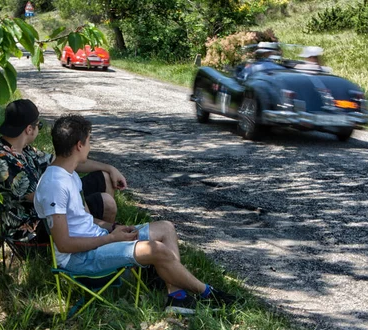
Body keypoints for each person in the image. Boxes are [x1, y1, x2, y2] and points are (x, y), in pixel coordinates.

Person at [34, 114, 239, 314]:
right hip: (79, 259)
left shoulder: (70, 175)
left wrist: (112, 228)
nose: (90, 146)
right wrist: (111, 239)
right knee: (156, 249)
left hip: (98, 240)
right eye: (88, 141)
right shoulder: (55, 185)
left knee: (166, 228)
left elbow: (84, 220)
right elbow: (64, 244)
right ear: (79, 145)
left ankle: (176, 296)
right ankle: (208, 293)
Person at [0, 99, 127, 242]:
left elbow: (68, 160)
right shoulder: (3, 162)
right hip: (35, 227)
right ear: (29, 129)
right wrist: (83, 211)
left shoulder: (25, 151)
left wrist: (110, 168)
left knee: (104, 178)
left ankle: (98, 234)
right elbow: (46, 201)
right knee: (106, 202)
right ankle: (100, 239)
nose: (39, 129)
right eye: (39, 125)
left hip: (51, 210)